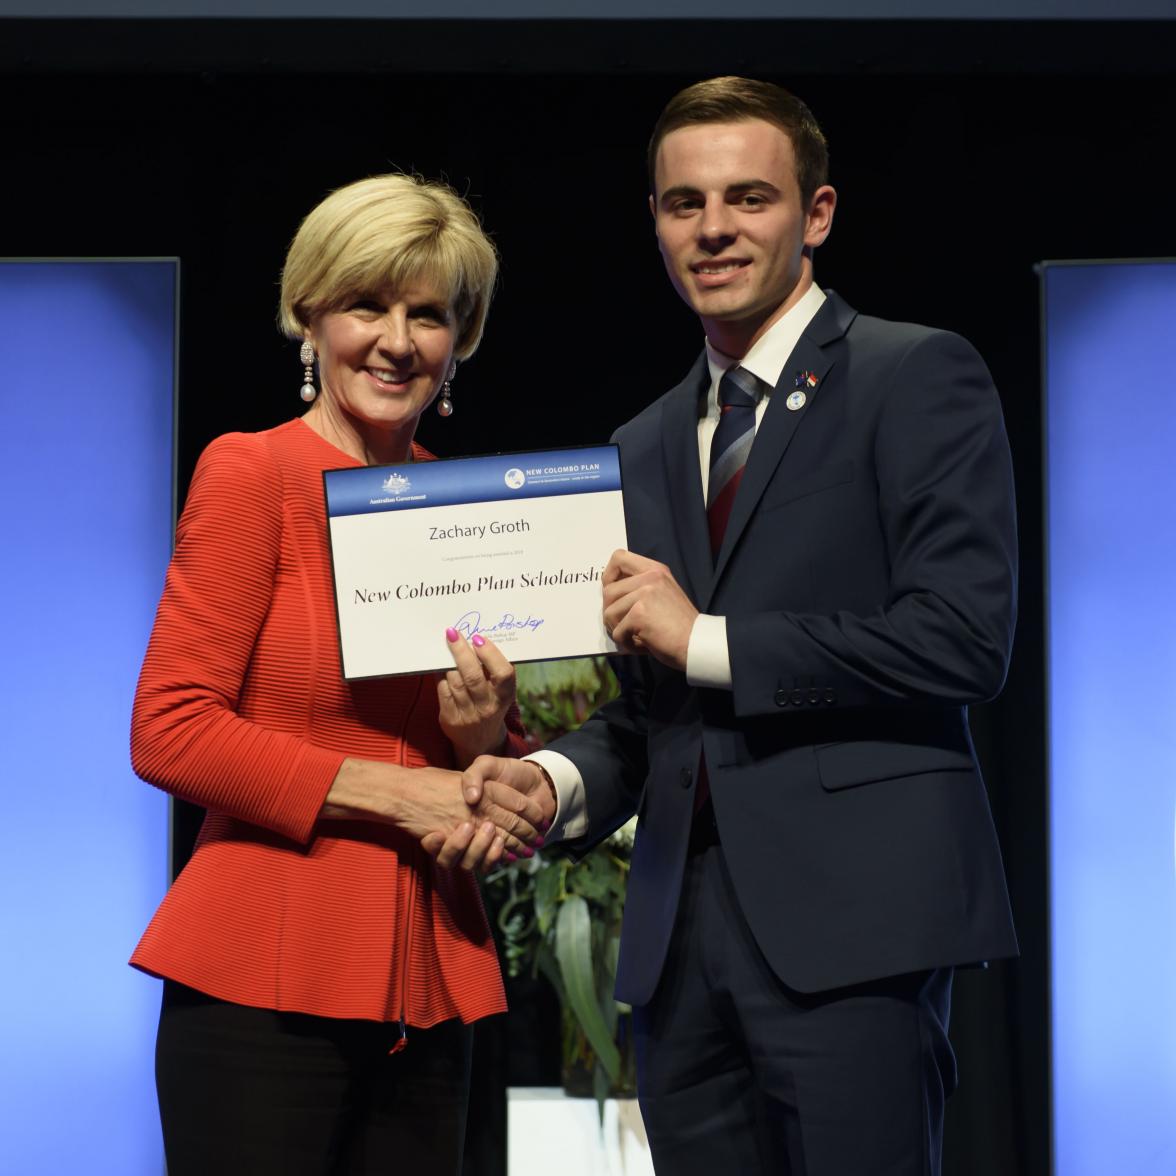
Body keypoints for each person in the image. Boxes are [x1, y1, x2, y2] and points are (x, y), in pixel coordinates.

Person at [462, 77, 1019, 1175]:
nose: (713, 227)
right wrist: (554, 783)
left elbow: (963, 636)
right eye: (683, 204)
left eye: (748, 197)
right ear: (657, 224)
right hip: (680, 944)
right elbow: (648, 710)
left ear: (816, 214)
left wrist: (704, 638)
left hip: (857, 926)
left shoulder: (916, 374)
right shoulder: (644, 438)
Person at [130, 173, 547, 1176]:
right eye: (367, 304)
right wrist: (395, 791)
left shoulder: (457, 509)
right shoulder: (252, 472)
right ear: (308, 315)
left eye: (429, 314)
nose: (397, 340)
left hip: (429, 978)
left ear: (462, 339)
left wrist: (485, 739)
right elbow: (171, 726)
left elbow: (483, 774)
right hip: (260, 980)